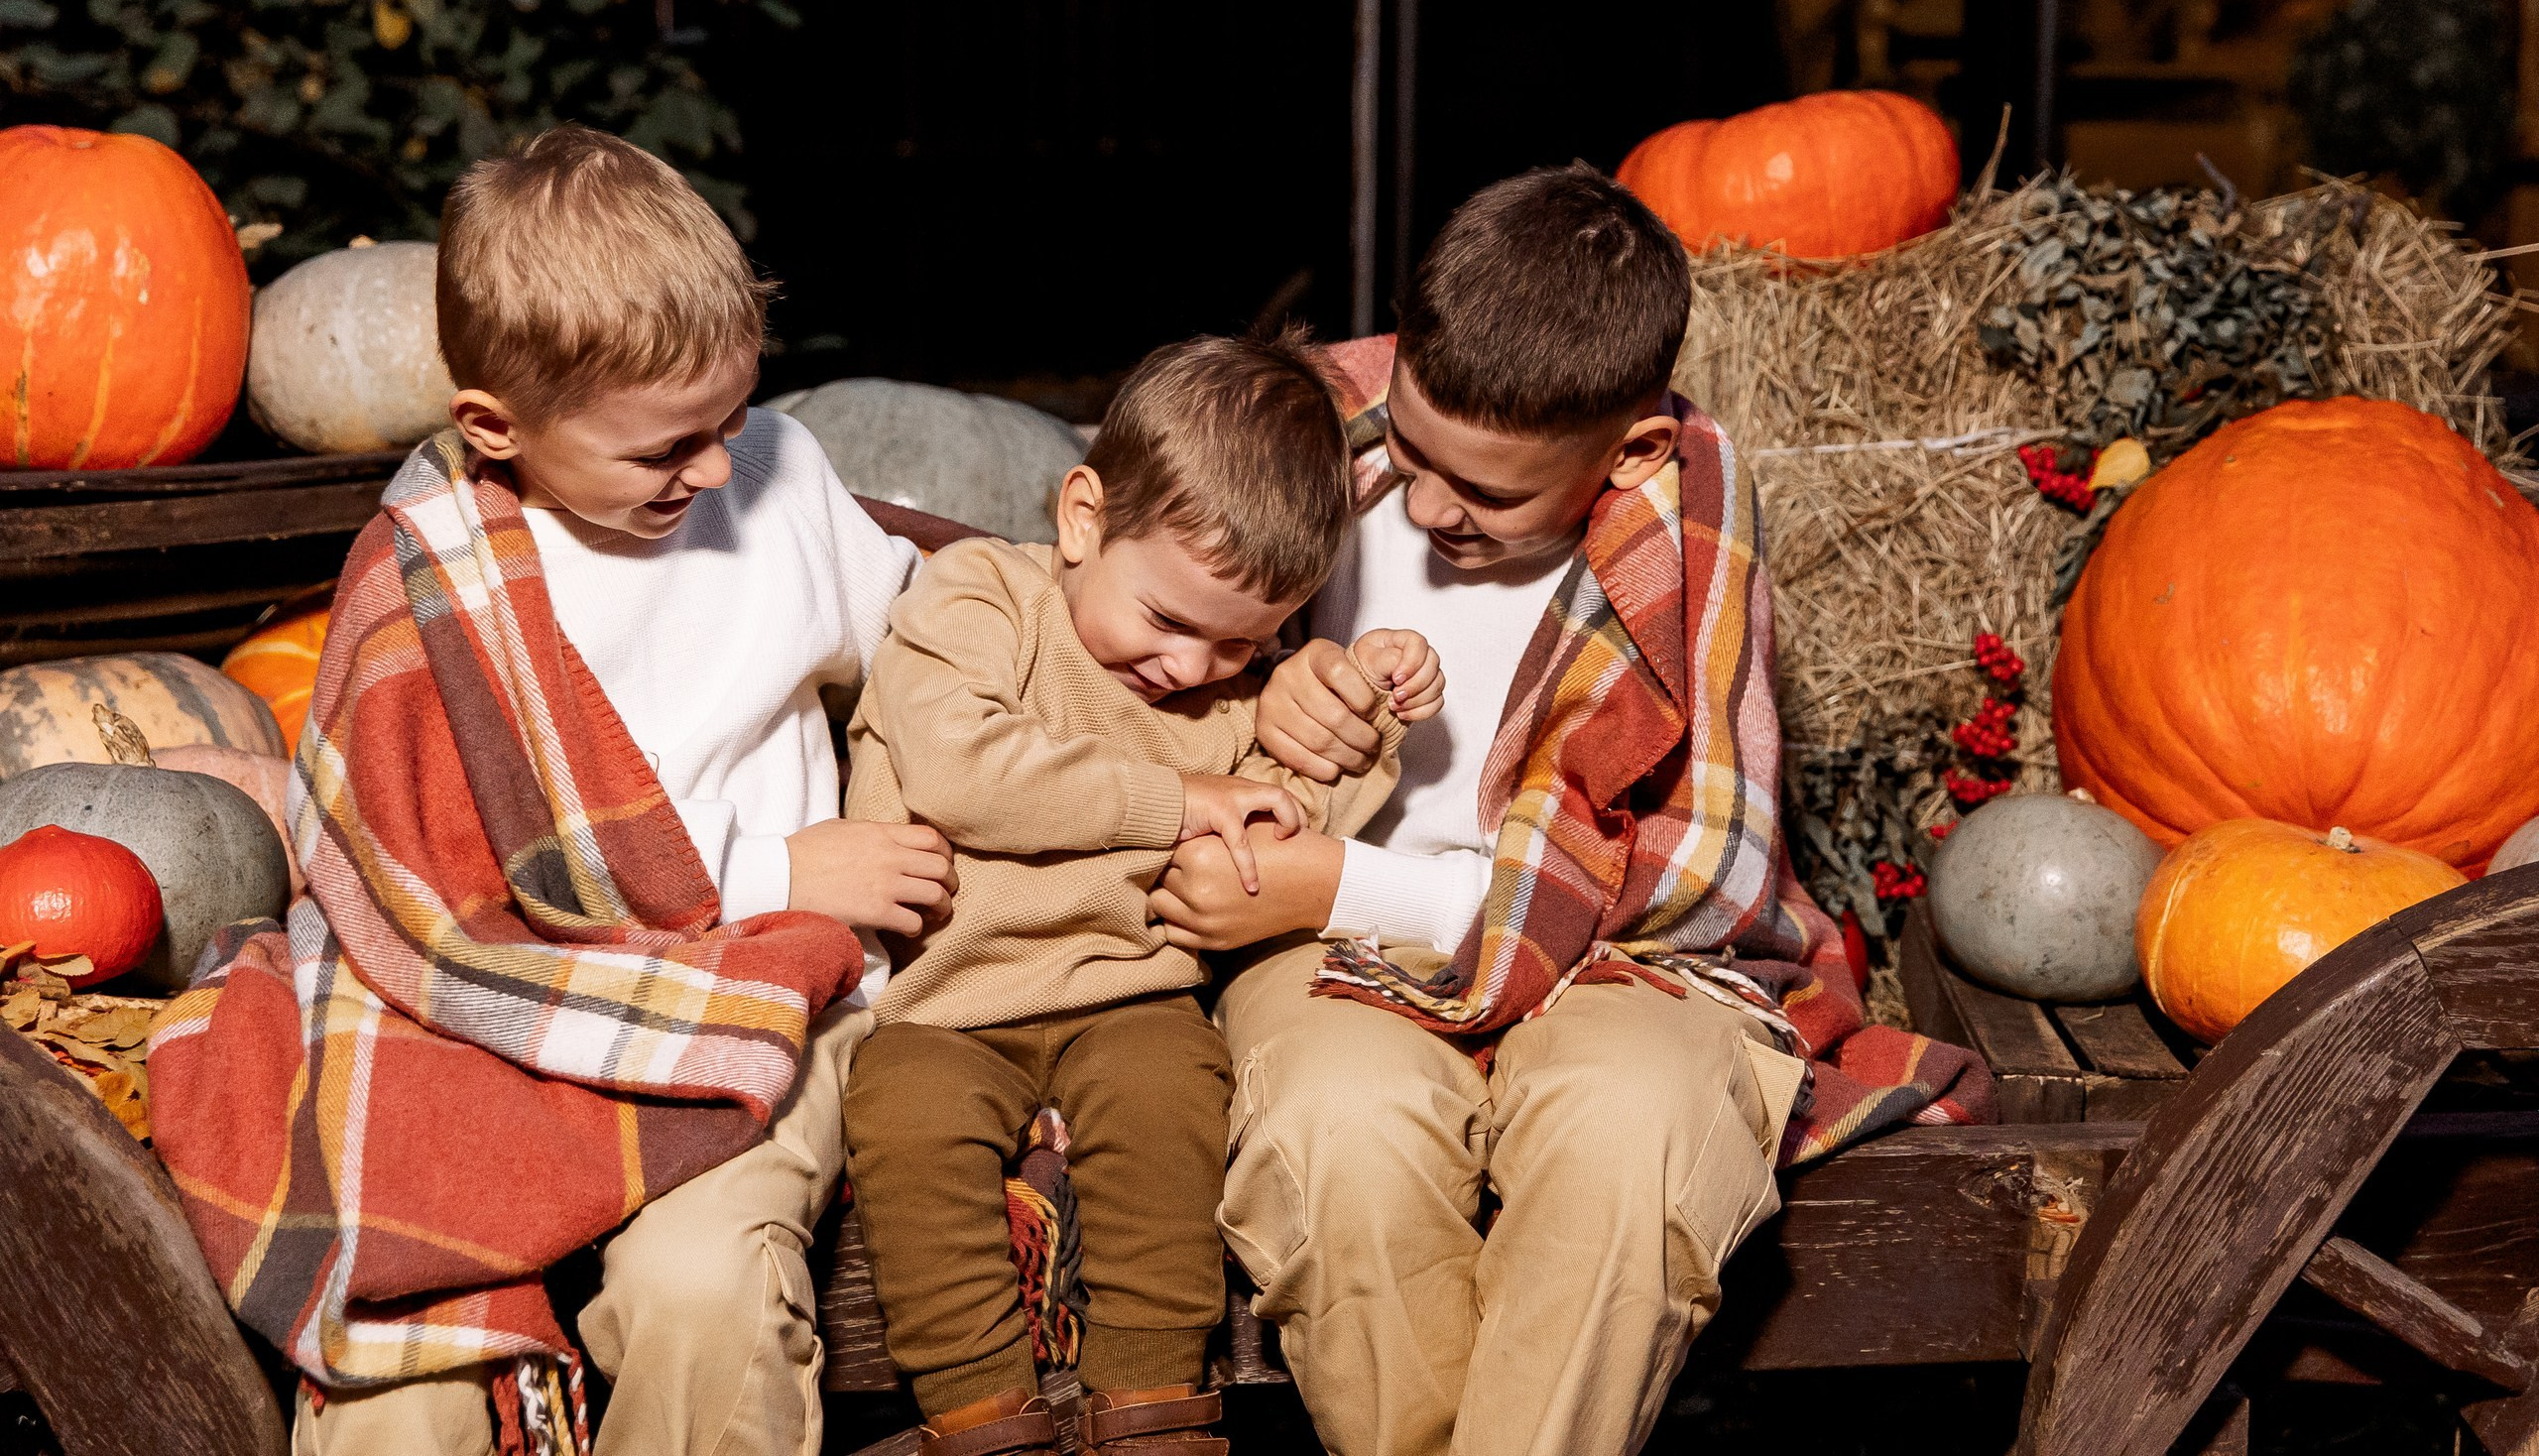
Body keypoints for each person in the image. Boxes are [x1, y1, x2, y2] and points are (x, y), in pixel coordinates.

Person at [1147, 166, 1996, 1456]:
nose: (1429, 509)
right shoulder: (1301, 420)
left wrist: (1354, 883)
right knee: (1337, 1134)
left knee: (1635, 1131)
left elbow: (1702, 876)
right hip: (1329, 946)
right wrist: (1266, 690)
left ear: (1631, 448)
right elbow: (1127, 669)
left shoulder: (1688, 496)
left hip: (1616, 955)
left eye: (1484, 495)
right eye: (1414, 452)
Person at [150, 125, 958, 1456]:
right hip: (501, 995)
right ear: (495, 427)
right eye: (664, 451)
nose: (711, 470)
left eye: (733, 419)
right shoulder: (431, 578)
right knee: (397, 1375)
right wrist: (779, 864)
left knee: (706, 1290)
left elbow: (934, 641)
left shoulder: (778, 486)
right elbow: (440, 861)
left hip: (757, 982)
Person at [838, 333, 1443, 1456]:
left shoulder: (1233, 691)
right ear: (1082, 519)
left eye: (1243, 641)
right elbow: (962, 768)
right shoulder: (983, 601)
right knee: (908, 1124)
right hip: (942, 999)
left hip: (1129, 996)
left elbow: (1275, 829)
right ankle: (981, 1419)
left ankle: (1151, 1409)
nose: (1193, 669)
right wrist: (1173, 797)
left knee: (1173, 1100)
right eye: (1167, 621)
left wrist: (1359, 716)